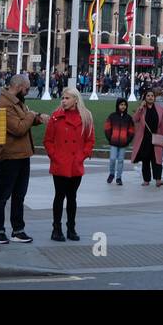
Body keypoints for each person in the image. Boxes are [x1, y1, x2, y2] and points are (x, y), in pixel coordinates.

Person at [0, 74, 49, 245]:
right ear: (19, 87)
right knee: (3, 195)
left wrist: (36, 118)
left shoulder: (17, 102)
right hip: (10, 156)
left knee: (19, 195)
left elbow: (24, 121)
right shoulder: (5, 104)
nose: (27, 91)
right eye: (26, 88)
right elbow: (18, 128)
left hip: (22, 154)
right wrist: (32, 115)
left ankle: (18, 230)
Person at [44, 87, 95, 242]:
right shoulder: (55, 117)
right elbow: (48, 140)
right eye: (63, 98)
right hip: (60, 163)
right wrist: (54, 156)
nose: (63, 101)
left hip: (75, 164)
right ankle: (56, 229)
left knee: (72, 197)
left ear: (75, 100)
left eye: (67, 98)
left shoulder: (86, 117)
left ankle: (71, 228)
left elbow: (90, 140)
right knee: (59, 196)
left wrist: (82, 156)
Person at [131, 89, 163, 187]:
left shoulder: (160, 109)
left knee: (157, 160)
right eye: (148, 96)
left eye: (152, 96)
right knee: (146, 160)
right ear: (145, 98)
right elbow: (134, 119)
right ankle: (146, 179)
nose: (150, 97)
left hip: (157, 137)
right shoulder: (142, 109)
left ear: (154, 98)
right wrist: (140, 108)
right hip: (144, 139)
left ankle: (158, 179)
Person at [103, 97, 134, 185]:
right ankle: (112, 173)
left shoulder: (128, 118)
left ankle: (119, 177)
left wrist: (127, 140)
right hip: (114, 142)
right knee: (112, 159)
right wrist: (110, 138)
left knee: (120, 160)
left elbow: (131, 130)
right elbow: (107, 128)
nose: (123, 106)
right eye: (121, 105)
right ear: (118, 105)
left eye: (124, 105)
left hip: (123, 143)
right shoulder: (112, 116)